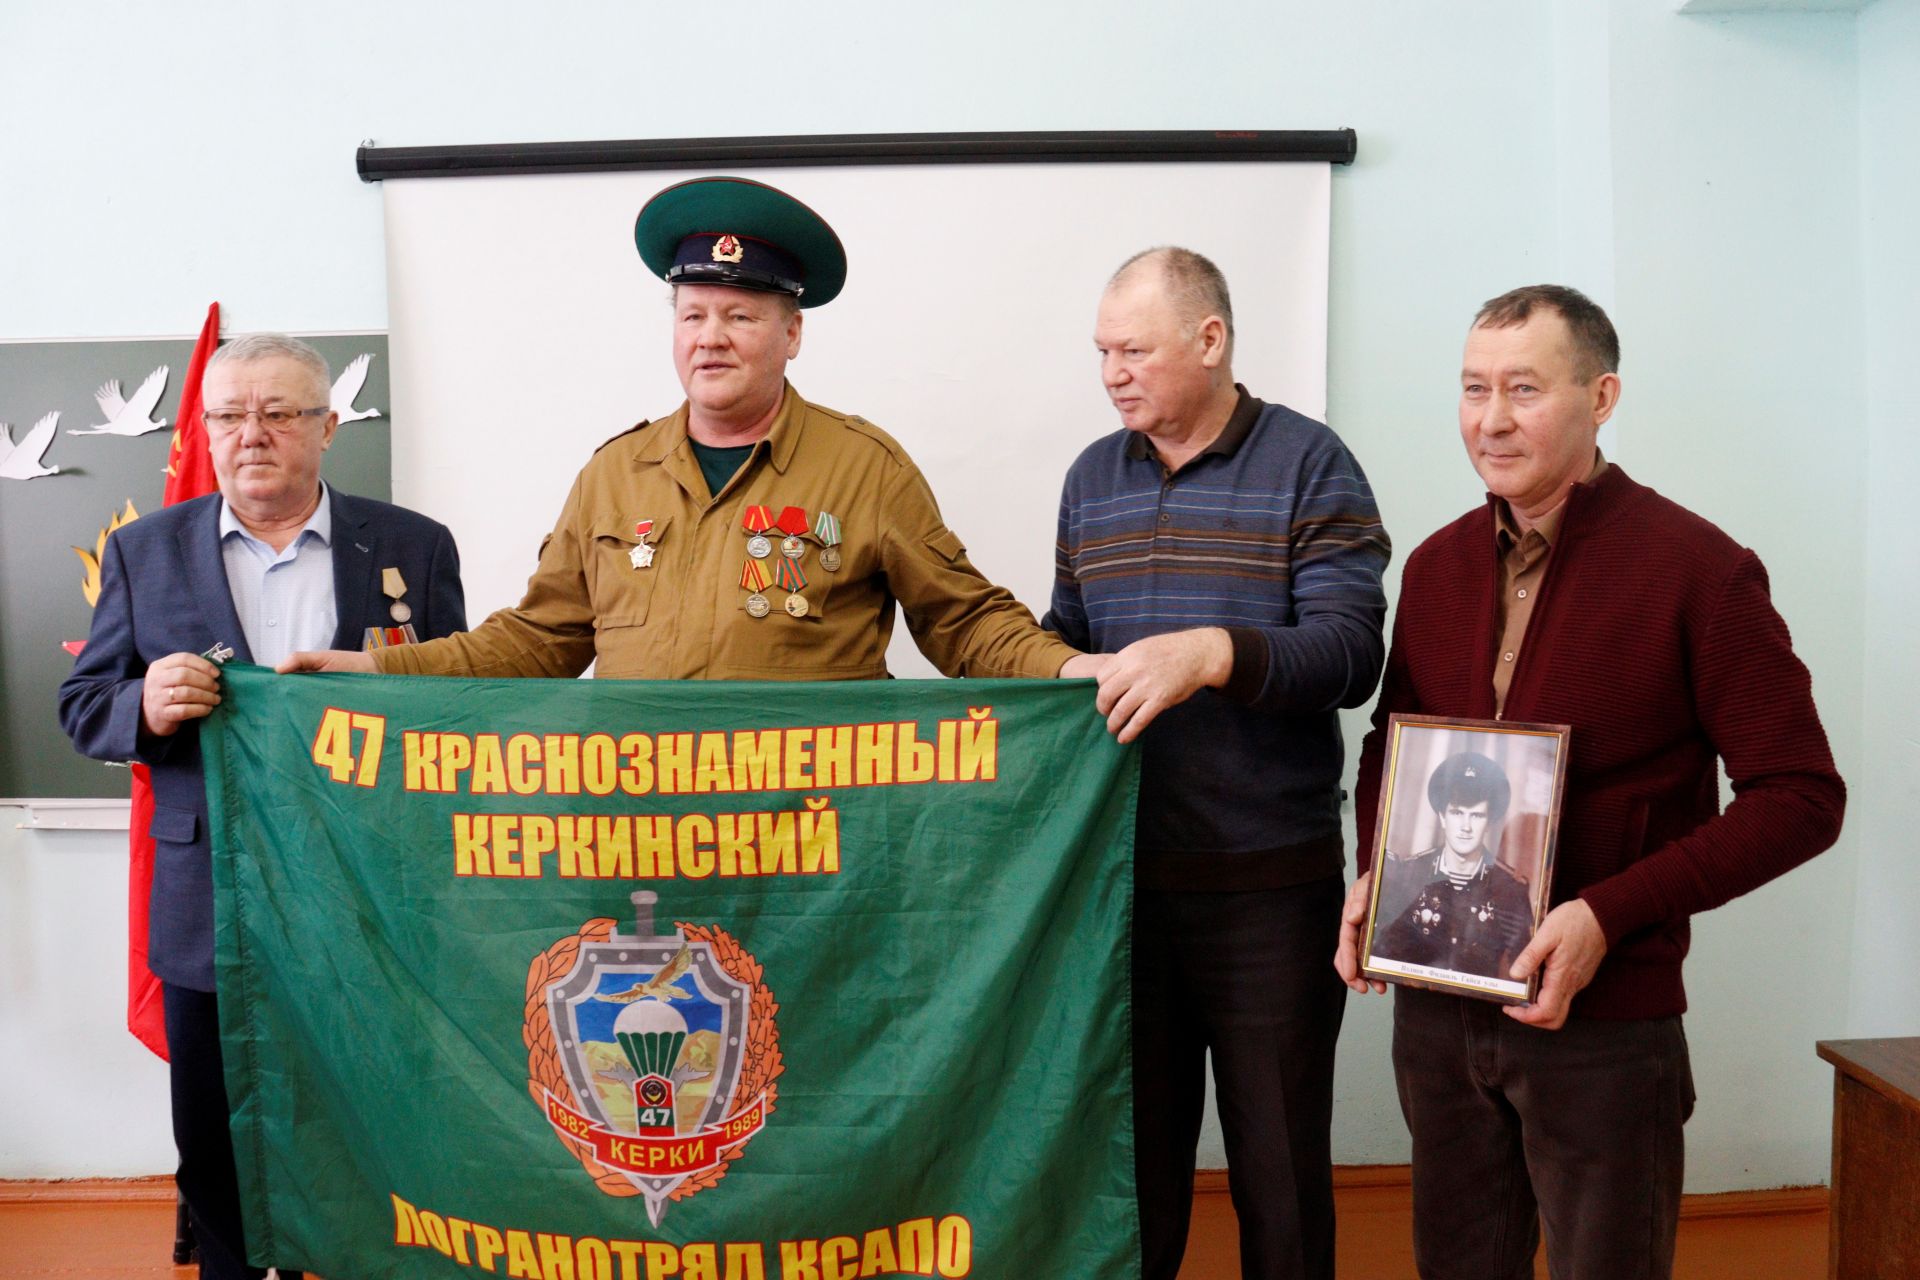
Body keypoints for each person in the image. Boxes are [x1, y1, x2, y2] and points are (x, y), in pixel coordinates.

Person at [1334, 284, 1846, 1280]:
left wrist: (1607, 915)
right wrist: (1373, 870)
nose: (1490, 418)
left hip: (1603, 1022)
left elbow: (1801, 795)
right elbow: (1388, 750)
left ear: (1601, 396)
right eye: (1474, 387)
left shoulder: (1700, 568)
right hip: (1438, 1013)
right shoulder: (1437, 566)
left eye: (1524, 388)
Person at [281, 176, 1093, 683]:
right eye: (693, 313)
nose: (710, 336)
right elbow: (536, 644)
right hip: (645, 831)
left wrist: (1069, 670)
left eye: (739, 315)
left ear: (791, 335)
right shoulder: (614, 475)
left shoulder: (865, 468)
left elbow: (963, 622)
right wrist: (379, 667)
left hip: (811, 841)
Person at [58, 333, 466, 1280]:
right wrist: (144, 707)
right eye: (231, 415)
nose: (254, 435)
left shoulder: (413, 545)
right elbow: (84, 707)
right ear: (205, 430)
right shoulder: (143, 550)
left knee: (378, 1123)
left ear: (327, 427)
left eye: (280, 414)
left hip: (369, 899)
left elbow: (457, 706)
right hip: (210, 903)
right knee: (220, 1141)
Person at [1047, 247, 1391, 1280]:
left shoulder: (1310, 461)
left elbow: (1351, 654)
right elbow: (1067, 633)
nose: (1113, 372)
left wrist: (1214, 652)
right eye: (1102, 350)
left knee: (1278, 1179)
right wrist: (1046, 663)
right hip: (1125, 894)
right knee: (1134, 1173)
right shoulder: (1090, 476)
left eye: (1135, 349)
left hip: (1269, 893)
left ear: (1210, 340)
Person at [1371, 751, 1533, 979]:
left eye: (1476, 816)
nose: (1465, 826)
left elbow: (1524, 970)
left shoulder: (1509, 889)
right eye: (1457, 813)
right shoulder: (1408, 874)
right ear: (1443, 817)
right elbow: (1381, 951)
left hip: (1486, 1007)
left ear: (1488, 823)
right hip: (1419, 1001)